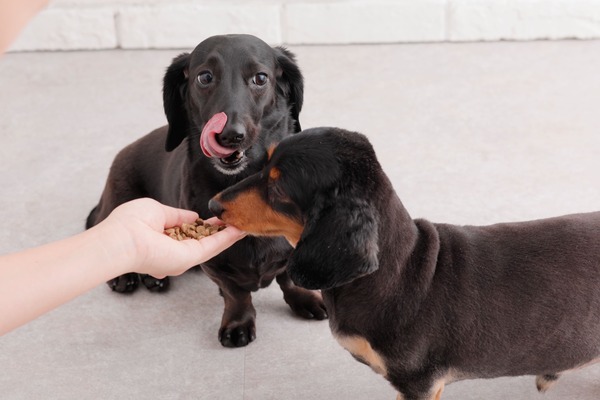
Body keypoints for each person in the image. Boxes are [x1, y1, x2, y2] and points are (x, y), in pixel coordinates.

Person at [0, 1, 247, 336]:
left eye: (258, 79)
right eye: (205, 78)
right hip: (142, 184)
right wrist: (121, 249)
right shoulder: (146, 161)